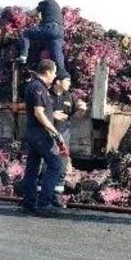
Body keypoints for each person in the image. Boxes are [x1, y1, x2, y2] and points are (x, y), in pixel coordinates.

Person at [21, 58, 67, 217]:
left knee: (32, 169)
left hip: (33, 134)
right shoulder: (38, 88)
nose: (55, 76)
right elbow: (39, 113)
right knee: (55, 166)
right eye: (54, 73)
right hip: (41, 135)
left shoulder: (34, 86)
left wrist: (52, 114)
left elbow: (41, 111)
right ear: (47, 71)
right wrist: (55, 131)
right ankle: (44, 204)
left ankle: (28, 203)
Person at [49, 71, 87, 207]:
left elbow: (74, 116)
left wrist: (81, 111)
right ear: (58, 81)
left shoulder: (69, 97)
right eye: (67, 81)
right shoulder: (47, 95)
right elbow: (38, 113)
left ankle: (57, 195)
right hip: (48, 135)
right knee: (46, 165)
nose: (69, 84)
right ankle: (42, 195)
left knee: (62, 165)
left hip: (64, 134)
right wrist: (52, 115)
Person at [17, 0, 67, 76]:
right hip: (60, 31)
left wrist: (27, 14)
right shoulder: (57, 6)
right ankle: (63, 75)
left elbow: (33, 13)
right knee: (58, 55)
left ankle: (23, 56)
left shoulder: (45, 2)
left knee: (26, 34)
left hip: (50, 28)